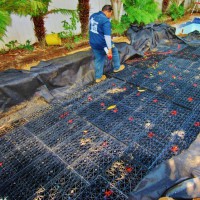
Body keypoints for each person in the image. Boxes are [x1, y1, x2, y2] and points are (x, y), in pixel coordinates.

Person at [89, 5, 125, 83]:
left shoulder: (93, 16)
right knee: (114, 51)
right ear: (108, 11)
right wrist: (109, 49)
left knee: (99, 59)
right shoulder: (105, 21)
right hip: (103, 43)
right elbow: (107, 37)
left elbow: (92, 28)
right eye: (110, 14)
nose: (110, 16)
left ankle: (98, 77)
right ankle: (117, 67)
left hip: (93, 42)